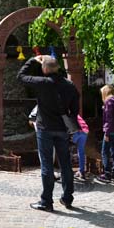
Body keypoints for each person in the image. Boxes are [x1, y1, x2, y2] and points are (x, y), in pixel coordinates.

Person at [17, 55, 80, 212]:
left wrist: (32, 60)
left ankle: (46, 201)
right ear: (57, 68)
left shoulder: (43, 83)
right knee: (65, 164)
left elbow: (21, 76)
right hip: (62, 130)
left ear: (45, 69)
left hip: (45, 129)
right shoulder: (70, 85)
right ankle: (67, 198)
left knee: (47, 165)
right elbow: (75, 110)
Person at [97, 84, 114, 183]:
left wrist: (107, 133)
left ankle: (107, 174)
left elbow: (109, 119)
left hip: (110, 130)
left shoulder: (108, 102)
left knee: (104, 152)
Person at [72, 114, 90, 180]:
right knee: (81, 151)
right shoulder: (76, 113)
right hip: (85, 131)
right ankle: (81, 172)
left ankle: (67, 172)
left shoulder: (66, 113)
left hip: (76, 131)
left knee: (67, 149)